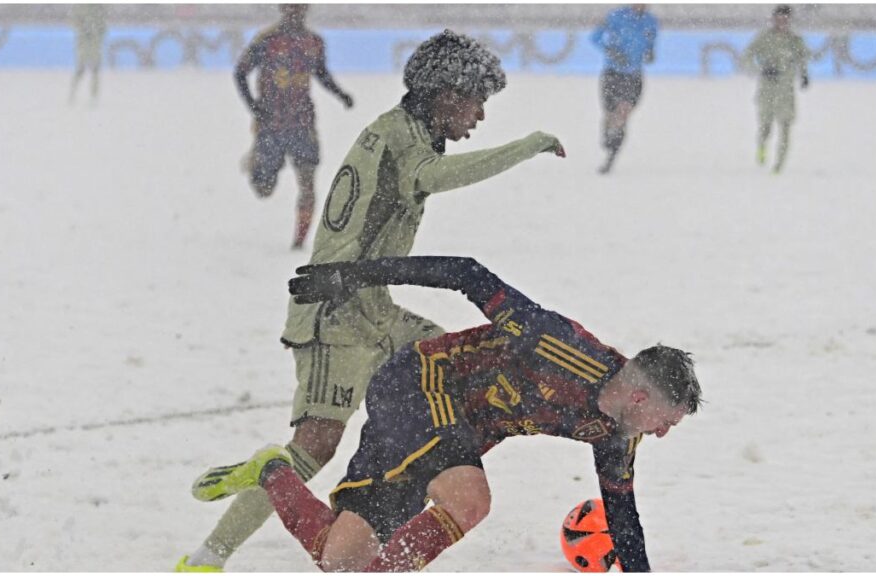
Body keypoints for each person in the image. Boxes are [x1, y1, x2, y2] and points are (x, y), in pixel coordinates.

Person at [176, 30, 565, 572]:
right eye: (476, 101)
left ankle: (392, 505)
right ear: (445, 93)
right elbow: (440, 177)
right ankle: (208, 555)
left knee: (441, 368)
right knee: (313, 449)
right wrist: (527, 146)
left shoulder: (409, 132)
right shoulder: (399, 138)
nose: (478, 116)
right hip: (332, 317)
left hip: (371, 308)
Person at [192, 255, 702, 572]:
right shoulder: (554, 342)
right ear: (640, 397)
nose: (660, 434)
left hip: (447, 438)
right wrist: (355, 276)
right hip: (417, 383)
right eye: (666, 420)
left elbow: (623, 520)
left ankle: (270, 470)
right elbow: (466, 273)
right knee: (470, 500)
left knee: (341, 559)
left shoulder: (619, 435)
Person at [234, 4, 355, 250]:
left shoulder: (314, 42)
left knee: (308, 180)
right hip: (271, 124)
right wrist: (254, 107)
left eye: (299, 7)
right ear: (282, 8)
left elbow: (321, 73)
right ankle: (257, 164)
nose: (295, 11)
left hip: (302, 123)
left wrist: (341, 94)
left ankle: (299, 241)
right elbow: (240, 72)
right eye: (290, 7)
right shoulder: (266, 40)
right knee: (264, 188)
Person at [740, 5, 810, 174]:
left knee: (785, 127)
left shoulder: (794, 39)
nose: (782, 22)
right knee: (766, 126)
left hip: (785, 91)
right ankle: (762, 146)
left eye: (785, 19)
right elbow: (747, 56)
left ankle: (779, 165)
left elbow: (803, 57)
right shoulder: (764, 37)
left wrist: (804, 75)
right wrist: (759, 70)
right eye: (779, 19)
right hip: (767, 90)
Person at [590, 4, 659, 174]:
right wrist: (612, 52)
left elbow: (650, 43)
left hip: (633, 75)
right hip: (612, 73)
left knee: (623, 112)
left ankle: (612, 155)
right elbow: (595, 37)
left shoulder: (651, 21)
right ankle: (607, 132)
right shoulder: (616, 16)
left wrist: (650, 52)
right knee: (610, 113)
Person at [68, 4, 107, 104]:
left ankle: (94, 96)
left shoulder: (100, 7)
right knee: (81, 69)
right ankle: (72, 94)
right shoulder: (81, 7)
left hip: (94, 42)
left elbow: (103, 26)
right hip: (85, 42)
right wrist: (83, 28)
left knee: (94, 70)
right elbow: (74, 21)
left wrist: (97, 33)